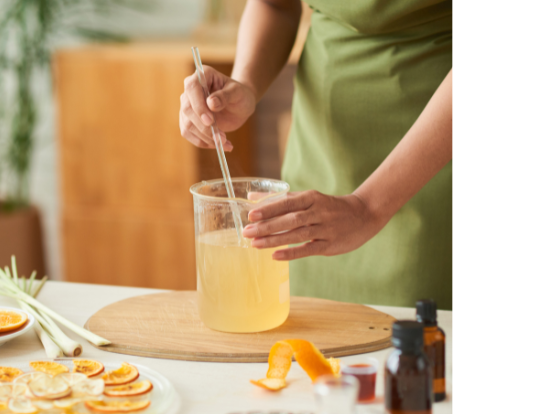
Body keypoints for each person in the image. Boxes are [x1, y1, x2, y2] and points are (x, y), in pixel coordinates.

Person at [179, 0, 452, 310]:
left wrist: (368, 207)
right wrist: (245, 85)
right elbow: (275, 5)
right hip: (319, 159)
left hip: (433, 160)